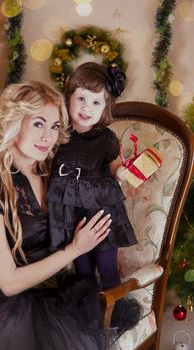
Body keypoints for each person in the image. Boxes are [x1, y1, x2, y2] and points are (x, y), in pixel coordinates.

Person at [0, 81, 114, 350]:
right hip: (8, 301)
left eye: (55, 126)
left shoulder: (54, 171)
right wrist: (75, 250)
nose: (48, 137)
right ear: (14, 123)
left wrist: (123, 182)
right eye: (38, 124)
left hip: (62, 291)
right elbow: (8, 283)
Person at [47, 62, 138, 290]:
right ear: (68, 98)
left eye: (96, 102)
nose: (87, 108)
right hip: (70, 213)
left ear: (105, 108)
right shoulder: (58, 132)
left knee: (107, 266)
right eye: (81, 99)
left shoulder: (106, 138)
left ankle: (112, 315)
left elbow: (116, 170)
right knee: (82, 269)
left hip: (100, 212)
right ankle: (86, 310)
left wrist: (121, 172)